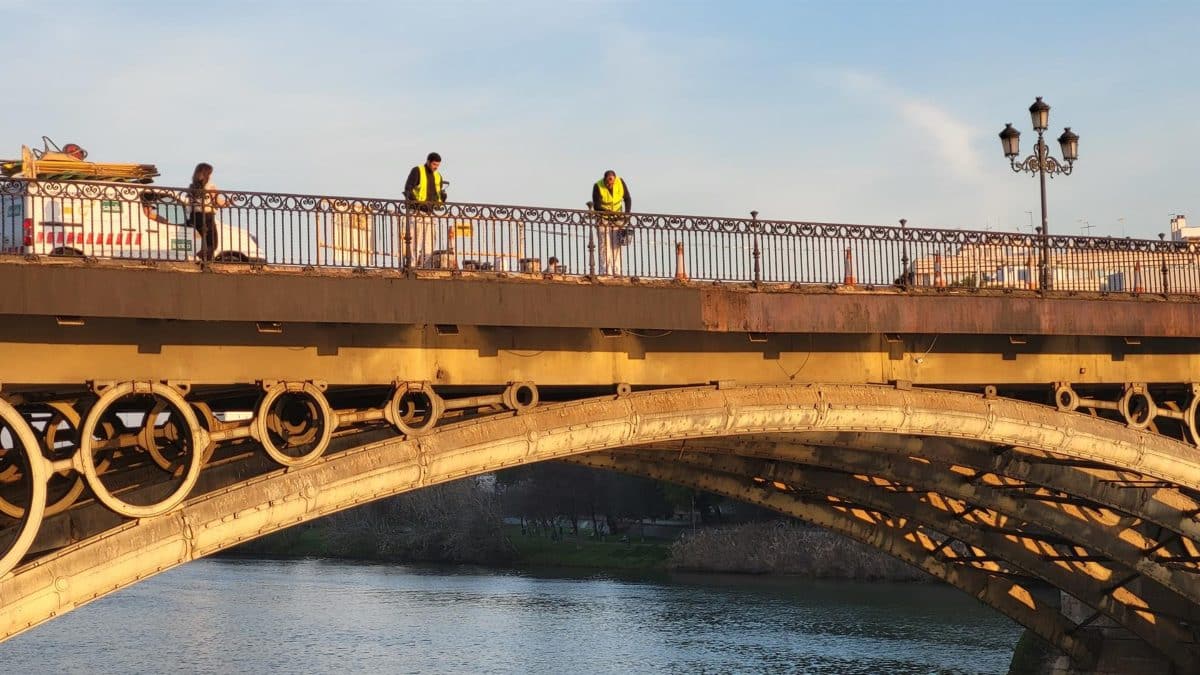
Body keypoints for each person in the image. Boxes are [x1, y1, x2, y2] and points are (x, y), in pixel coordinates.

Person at [403, 152, 447, 268]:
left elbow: (437, 196)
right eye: (434, 164)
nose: (436, 167)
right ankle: (411, 266)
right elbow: (408, 189)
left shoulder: (438, 176)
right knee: (414, 242)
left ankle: (424, 266)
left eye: (438, 165)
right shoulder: (417, 171)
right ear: (428, 161)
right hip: (417, 212)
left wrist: (442, 199)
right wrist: (417, 203)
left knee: (429, 243)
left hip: (430, 213)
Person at [590, 170, 631, 276]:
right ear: (604, 179)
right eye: (608, 183)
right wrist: (608, 212)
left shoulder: (620, 182)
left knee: (616, 246)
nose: (610, 185)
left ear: (615, 178)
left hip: (618, 219)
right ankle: (605, 271)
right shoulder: (597, 186)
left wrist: (627, 214)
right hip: (603, 219)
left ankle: (617, 271)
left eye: (611, 182)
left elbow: (627, 199)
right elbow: (596, 205)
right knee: (605, 245)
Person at [185, 162, 226, 261]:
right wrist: (230, 202)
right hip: (207, 217)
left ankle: (200, 258)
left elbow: (190, 203)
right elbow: (218, 203)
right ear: (207, 174)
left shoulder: (192, 187)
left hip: (194, 217)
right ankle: (205, 262)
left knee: (204, 243)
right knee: (212, 244)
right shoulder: (211, 187)